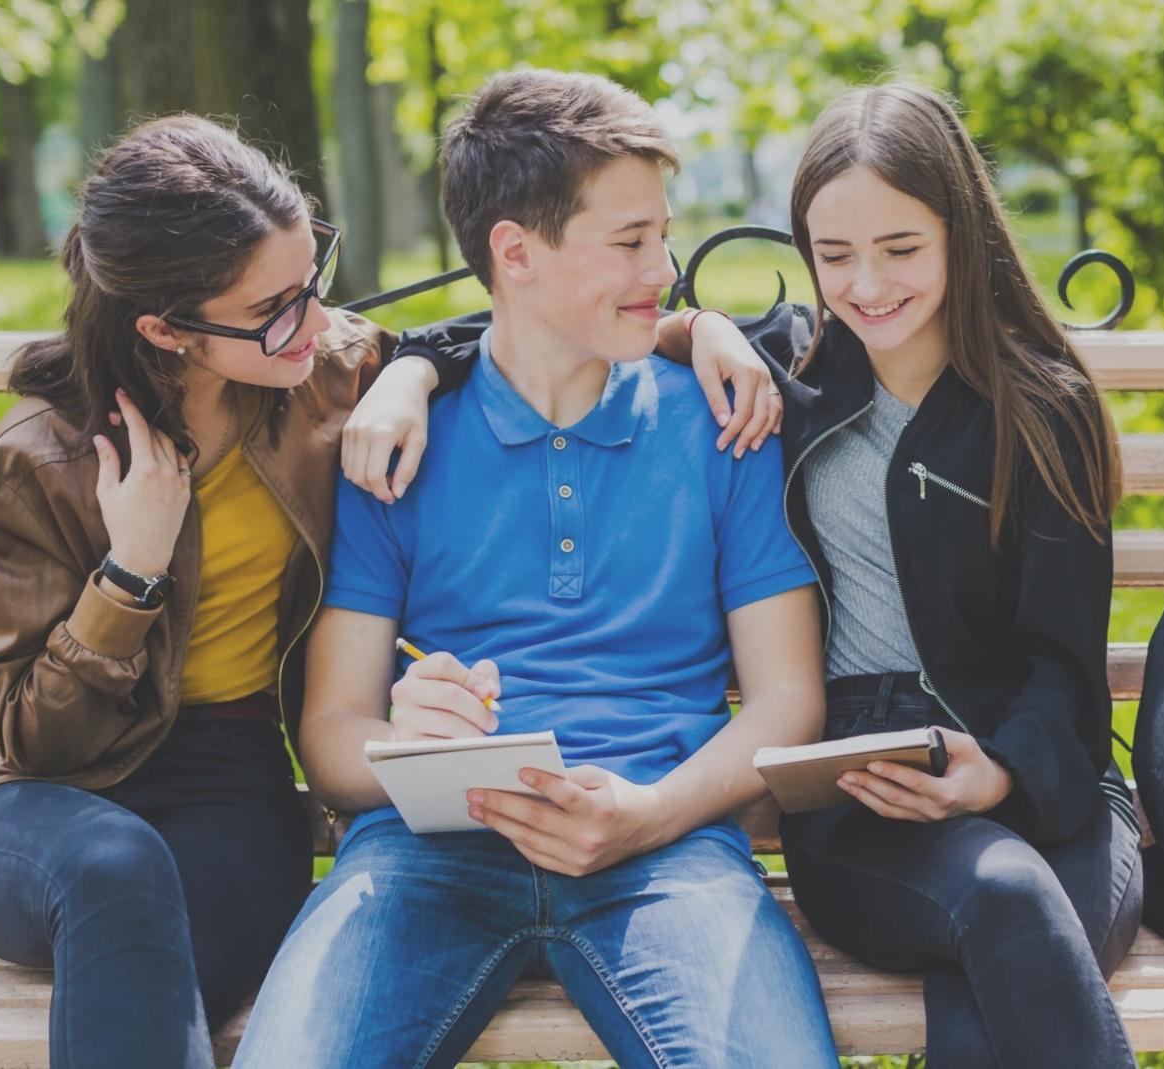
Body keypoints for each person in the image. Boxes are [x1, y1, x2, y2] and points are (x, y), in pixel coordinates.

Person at [391, 81, 1144, 1068]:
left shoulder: (1042, 412)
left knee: (996, 954)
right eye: (833, 255)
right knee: (1000, 907)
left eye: (901, 249)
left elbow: (1064, 665)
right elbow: (539, 324)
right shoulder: (789, 374)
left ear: (962, 233)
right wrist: (411, 369)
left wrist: (999, 770)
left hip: (1039, 773)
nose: (866, 284)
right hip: (862, 787)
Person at [233, 69, 839, 1069]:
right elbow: (334, 733)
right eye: (629, 242)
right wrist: (405, 746)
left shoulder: (721, 426)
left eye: (662, 235)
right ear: (514, 252)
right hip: (424, 854)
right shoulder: (397, 445)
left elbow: (786, 699)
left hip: (670, 848)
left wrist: (649, 816)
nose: (664, 269)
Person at [0, 114, 459, 1069]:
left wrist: (412, 372)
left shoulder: (322, 374)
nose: (316, 321)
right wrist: (130, 573)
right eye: (275, 307)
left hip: (229, 777)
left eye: (313, 281)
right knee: (118, 872)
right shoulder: (34, 463)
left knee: (143, 980)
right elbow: (33, 738)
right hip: (28, 801)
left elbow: (507, 338)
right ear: (164, 330)